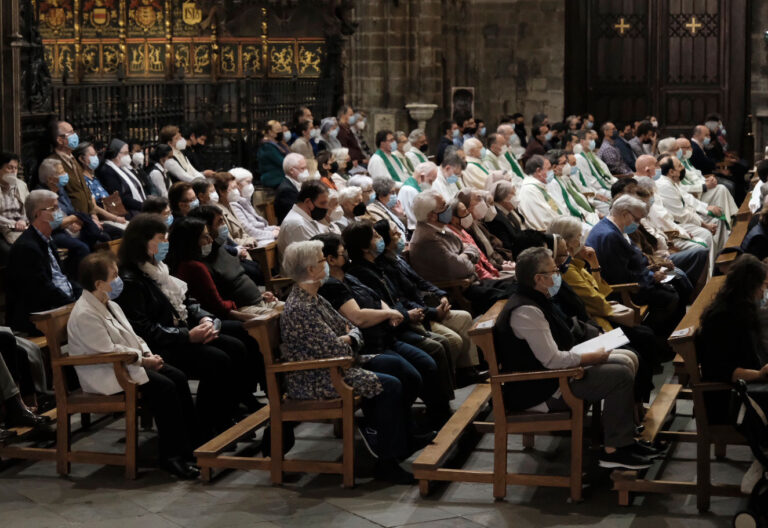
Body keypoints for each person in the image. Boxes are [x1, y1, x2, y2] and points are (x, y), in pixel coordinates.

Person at [280, 240, 430, 483]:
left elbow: (350, 329)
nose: (326, 264)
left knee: (401, 369)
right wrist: (350, 338)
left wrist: (350, 337)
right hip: (319, 377)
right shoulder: (301, 307)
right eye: (322, 260)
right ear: (310, 269)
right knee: (389, 385)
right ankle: (386, 462)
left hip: (339, 364)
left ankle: (404, 437)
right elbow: (336, 347)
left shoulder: (315, 297)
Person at [494, 247, 653, 470]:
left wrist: (590, 351)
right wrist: (590, 357)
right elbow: (552, 361)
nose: (558, 274)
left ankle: (624, 438)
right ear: (539, 279)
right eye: (554, 271)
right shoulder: (526, 311)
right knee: (620, 374)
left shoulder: (538, 298)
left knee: (628, 358)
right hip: (539, 390)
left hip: (553, 377)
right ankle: (614, 450)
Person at [116, 214, 263, 436]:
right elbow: (144, 329)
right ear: (142, 242)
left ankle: (228, 410)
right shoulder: (131, 280)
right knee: (218, 359)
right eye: (161, 239)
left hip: (179, 333)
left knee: (236, 346)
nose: (166, 243)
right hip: (159, 346)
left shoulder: (159, 268)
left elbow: (187, 302)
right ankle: (208, 424)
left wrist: (204, 318)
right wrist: (187, 336)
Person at [67, 251, 200, 479]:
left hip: (129, 363)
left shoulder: (110, 304)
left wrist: (147, 353)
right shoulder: (85, 314)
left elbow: (133, 335)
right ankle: (171, 458)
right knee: (165, 388)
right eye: (114, 276)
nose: (119, 280)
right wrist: (143, 360)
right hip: (107, 372)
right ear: (99, 284)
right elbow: (108, 351)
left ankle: (189, 447)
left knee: (177, 377)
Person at [371, 220, 486, 387]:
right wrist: (433, 312)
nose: (400, 235)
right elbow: (402, 300)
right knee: (453, 341)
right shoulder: (384, 267)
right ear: (386, 241)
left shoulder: (398, 259)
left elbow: (421, 281)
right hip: (417, 315)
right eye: (395, 234)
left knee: (464, 317)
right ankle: (449, 379)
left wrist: (441, 295)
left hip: (426, 306)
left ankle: (468, 370)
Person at [586, 195, 687, 338]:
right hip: (625, 290)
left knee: (678, 281)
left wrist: (653, 268)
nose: (638, 224)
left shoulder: (612, 227)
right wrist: (652, 277)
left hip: (638, 277)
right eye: (637, 219)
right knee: (671, 296)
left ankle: (679, 334)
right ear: (625, 214)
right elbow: (619, 275)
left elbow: (634, 258)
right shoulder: (609, 235)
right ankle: (664, 339)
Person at [697, 254, 768, 418]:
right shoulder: (722, 318)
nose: (762, 292)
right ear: (750, 286)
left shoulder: (740, 307)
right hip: (731, 398)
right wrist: (759, 374)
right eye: (760, 286)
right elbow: (721, 370)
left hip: (750, 384)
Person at [6, 190, 80, 335]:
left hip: (58, 306)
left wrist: (82, 296)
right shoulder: (26, 247)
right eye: (54, 208)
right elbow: (42, 289)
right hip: (38, 317)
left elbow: (63, 277)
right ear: (38, 214)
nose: (59, 213)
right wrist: (73, 303)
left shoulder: (47, 240)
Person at [187, 206, 274, 311]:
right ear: (207, 227)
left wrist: (261, 295)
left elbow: (241, 281)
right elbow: (219, 304)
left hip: (260, 301)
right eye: (220, 222)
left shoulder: (220, 248)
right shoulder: (201, 264)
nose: (224, 225)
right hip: (244, 310)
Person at [73, 142, 128, 234]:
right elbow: (94, 207)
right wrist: (115, 218)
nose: (96, 158)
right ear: (81, 159)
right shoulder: (83, 180)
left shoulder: (94, 177)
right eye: (92, 155)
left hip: (113, 214)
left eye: (96, 154)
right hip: (105, 219)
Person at [45, 120, 96, 216]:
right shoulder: (53, 163)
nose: (75, 135)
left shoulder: (72, 158)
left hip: (86, 216)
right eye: (71, 133)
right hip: (73, 218)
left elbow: (84, 189)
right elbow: (58, 195)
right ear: (60, 140)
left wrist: (93, 214)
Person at [276, 180, 330, 255]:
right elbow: (315, 255)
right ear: (308, 202)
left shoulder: (306, 218)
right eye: (322, 203)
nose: (326, 207)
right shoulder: (298, 224)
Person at [97, 139, 147, 218]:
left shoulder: (123, 168)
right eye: (125, 153)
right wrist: (143, 206)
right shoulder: (107, 171)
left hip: (137, 207)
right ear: (115, 154)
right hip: (128, 212)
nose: (128, 156)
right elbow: (120, 196)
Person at [227, 169, 278, 241]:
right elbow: (249, 231)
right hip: (254, 241)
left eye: (251, 182)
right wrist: (272, 234)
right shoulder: (233, 205)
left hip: (261, 237)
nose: (251, 185)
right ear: (237, 184)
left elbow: (258, 225)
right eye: (248, 182)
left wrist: (273, 228)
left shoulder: (245, 201)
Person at [517, 154, 565, 231]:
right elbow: (544, 220)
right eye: (549, 168)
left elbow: (555, 208)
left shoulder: (539, 186)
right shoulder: (529, 190)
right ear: (539, 171)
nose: (552, 171)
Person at [0, 152, 29, 264]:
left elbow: (29, 206)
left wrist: (23, 220)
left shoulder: (21, 185)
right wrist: (13, 224)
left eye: (16, 168)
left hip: (22, 227)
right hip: (3, 229)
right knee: (14, 253)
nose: (13, 171)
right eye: (10, 168)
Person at [486, 180, 526, 255]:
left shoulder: (508, 210)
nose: (515, 196)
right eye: (512, 194)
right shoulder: (496, 218)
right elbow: (507, 245)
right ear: (502, 196)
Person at [398, 161, 438, 233]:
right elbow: (418, 217)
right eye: (430, 181)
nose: (431, 185)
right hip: (413, 230)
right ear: (422, 176)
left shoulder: (415, 188)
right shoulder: (410, 190)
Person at [274, 153, 307, 224]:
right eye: (302, 168)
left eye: (306, 168)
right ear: (291, 170)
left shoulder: (297, 184)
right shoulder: (286, 190)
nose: (306, 171)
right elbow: (298, 214)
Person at [256, 120, 288, 188]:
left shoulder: (278, 144)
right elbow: (282, 162)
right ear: (270, 132)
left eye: (281, 129)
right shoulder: (267, 146)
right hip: (273, 179)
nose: (280, 132)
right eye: (278, 130)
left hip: (281, 177)